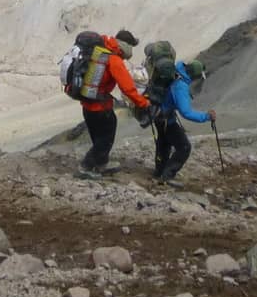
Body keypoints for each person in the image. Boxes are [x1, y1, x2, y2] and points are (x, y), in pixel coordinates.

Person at [76, 29, 150, 177]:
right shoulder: (113, 59)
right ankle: (86, 167)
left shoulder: (99, 51)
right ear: (126, 45)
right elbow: (128, 88)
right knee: (105, 138)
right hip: (101, 107)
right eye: (131, 47)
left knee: (97, 136)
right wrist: (143, 103)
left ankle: (101, 164)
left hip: (87, 104)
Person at [149, 57, 214, 185]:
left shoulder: (177, 70)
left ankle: (159, 171)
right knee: (184, 147)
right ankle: (167, 176)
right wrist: (206, 117)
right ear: (194, 75)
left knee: (164, 144)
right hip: (167, 119)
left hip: (158, 115)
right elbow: (186, 112)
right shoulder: (181, 86)